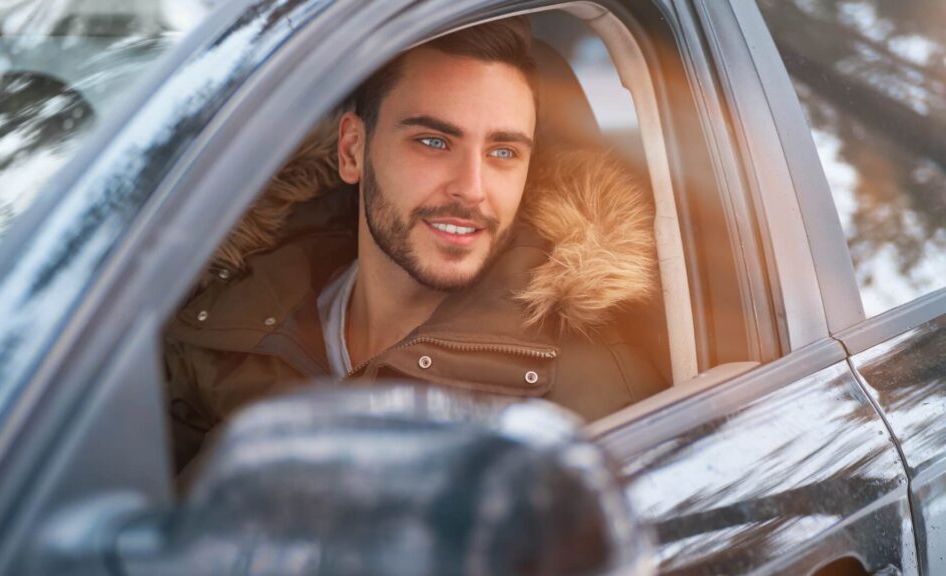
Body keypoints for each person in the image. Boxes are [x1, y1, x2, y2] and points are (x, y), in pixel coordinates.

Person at [164, 18, 665, 473]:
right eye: (434, 142)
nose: (471, 187)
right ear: (352, 150)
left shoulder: (587, 399)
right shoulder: (218, 324)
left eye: (503, 152)